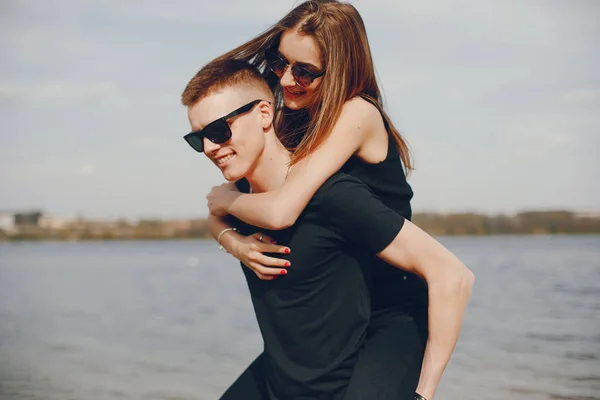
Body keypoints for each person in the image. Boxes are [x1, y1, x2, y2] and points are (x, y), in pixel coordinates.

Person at [181, 59, 473, 399]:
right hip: (280, 381)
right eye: (197, 138)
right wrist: (234, 242)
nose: (210, 148)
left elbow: (452, 276)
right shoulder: (237, 200)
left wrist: (422, 394)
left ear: (264, 114)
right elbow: (215, 214)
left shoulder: (332, 197)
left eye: (219, 131)